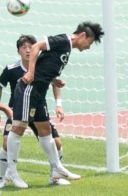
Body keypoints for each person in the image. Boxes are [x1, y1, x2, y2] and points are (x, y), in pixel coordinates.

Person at [7, 21, 104, 187]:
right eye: (89, 42)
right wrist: (30, 72)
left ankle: (56, 168)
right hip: (29, 89)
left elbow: (44, 65)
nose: (88, 47)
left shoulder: (67, 48)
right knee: (18, 128)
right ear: (82, 35)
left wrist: (53, 80)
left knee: (45, 130)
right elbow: (37, 46)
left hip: (40, 92)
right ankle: (11, 171)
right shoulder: (63, 40)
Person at [0, 35, 69, 189]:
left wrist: (58, 105)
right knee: (7, 143)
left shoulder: (43, 65)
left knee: (57, 143)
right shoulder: (11, 69)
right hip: (17, 109)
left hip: (39, 109)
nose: (27, 50)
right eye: (23, 47)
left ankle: (54, 176)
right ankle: (2, 178)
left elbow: (55, 82)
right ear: (18, 51)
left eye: (30, 47)